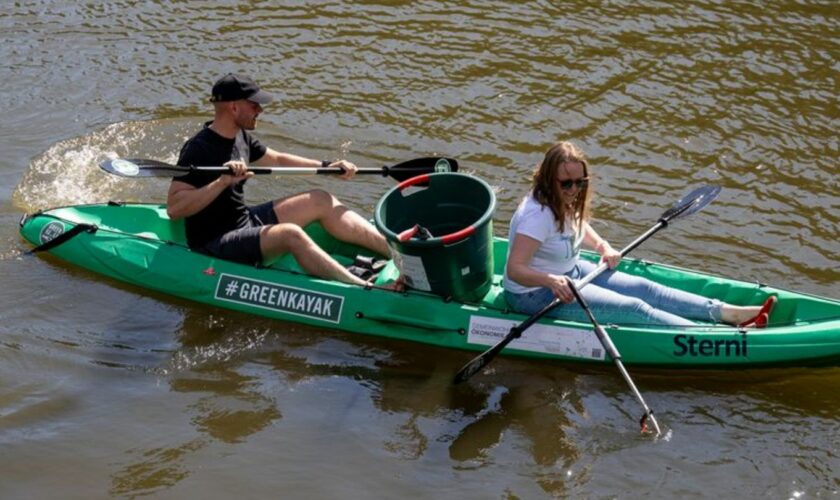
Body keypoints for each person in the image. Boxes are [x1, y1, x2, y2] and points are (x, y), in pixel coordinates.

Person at [502, 141, 776, 328]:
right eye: (567, 183)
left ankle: (728, 313)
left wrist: (602, 246)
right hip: (532, 295)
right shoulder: (536, 216)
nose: (574, 190)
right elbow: (515, 269)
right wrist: (550, 280)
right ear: (550, 180)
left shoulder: (563, 199)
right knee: (634, 307)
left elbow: (578, 226)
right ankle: (715, 337)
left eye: (580, 182)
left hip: (569, 273)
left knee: (647, 289)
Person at [166, 73, 392, 286]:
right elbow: (174, 208)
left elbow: (279, 159)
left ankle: (397, 254)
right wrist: (222, 182)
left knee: (320, 199)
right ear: (234, 107)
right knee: (290, 233)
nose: (260, 110)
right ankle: (361, 287)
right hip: (214, 242)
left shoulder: (240, 136)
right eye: (254, 105)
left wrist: (327, 167)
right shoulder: (198, 149)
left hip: (243, 222)